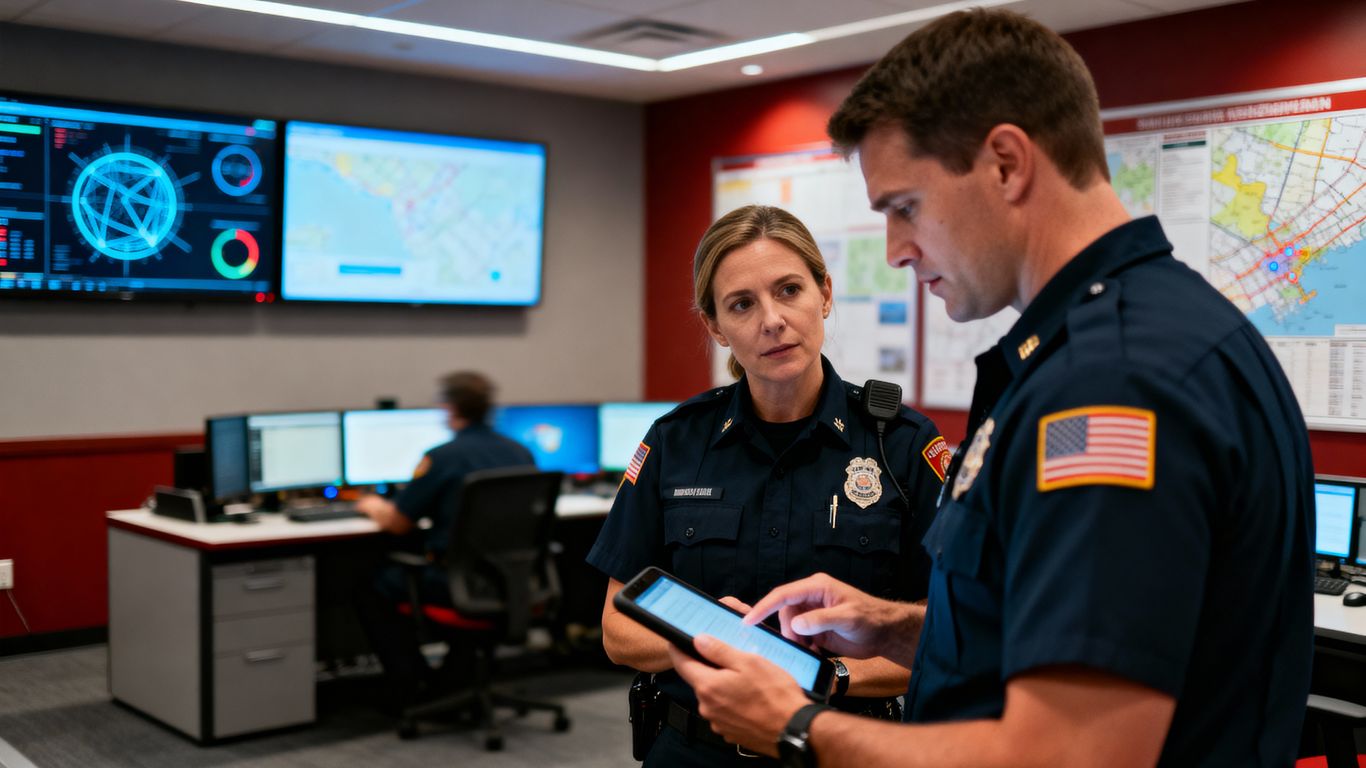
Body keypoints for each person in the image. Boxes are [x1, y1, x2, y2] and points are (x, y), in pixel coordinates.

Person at [667, 9, 1315, 768]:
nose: (898, 250)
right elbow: (1080, 638)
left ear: (1007, 163)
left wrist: (797, 726)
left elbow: (1077, 752)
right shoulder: (1168, 325)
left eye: (904, 207)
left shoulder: (1110, 386)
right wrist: (901, 625)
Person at [587, 204, 952, 766]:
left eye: (789, 290)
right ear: (716, 327)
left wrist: (824, 678)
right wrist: (721, 643)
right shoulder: (675, 442)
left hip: (841, 746)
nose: (772, 320)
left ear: (824, 294)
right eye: (742, 304)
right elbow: (618, 630)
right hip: (694, 751)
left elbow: (946, 632)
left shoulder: (900, 444)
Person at [354, 371, 535, 711]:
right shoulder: (520, 452)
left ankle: (413, 683)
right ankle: (454, 677)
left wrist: (371, 504)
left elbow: (397, 524)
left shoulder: (441, 457)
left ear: (449, 409)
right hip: (510, 581)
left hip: (455, 583)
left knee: (371, 586)